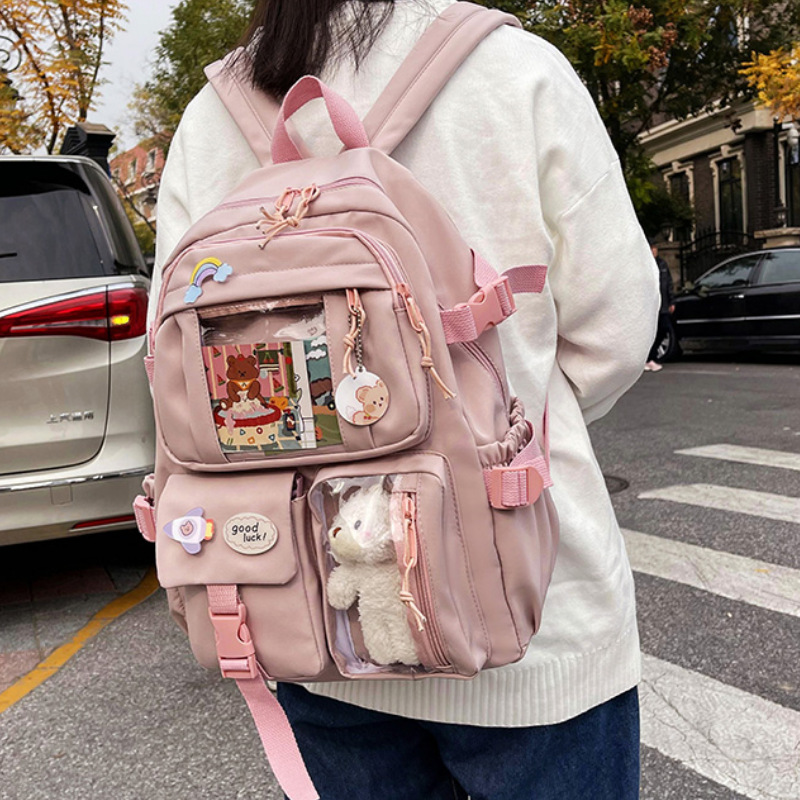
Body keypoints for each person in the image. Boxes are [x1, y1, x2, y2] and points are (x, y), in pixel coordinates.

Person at [151, 1, 659, 797]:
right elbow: (618, 332)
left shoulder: (212, 115)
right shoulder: (513, 71)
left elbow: (175, 365)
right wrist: (480, 440)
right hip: (533, 607)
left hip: (311, 617)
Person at [644, 241, 676, 372]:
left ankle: (651, 358)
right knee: (653, 332)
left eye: (655, 249)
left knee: (664, 330)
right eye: (651, 249)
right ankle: (649, 359)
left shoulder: (662, 264)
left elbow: (668, 283)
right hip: (651, 305)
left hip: (663, 304)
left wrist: (671, 301)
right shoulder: (646, 265)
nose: (654, 251)